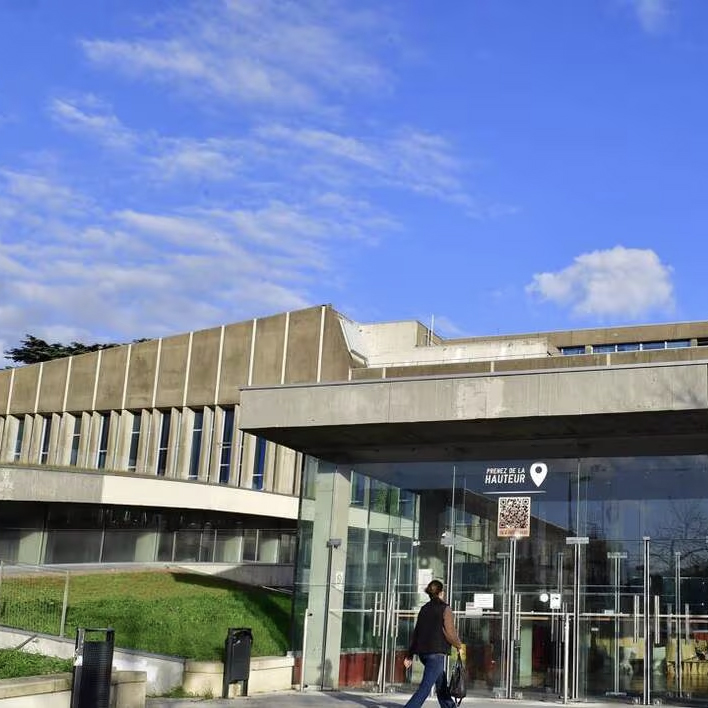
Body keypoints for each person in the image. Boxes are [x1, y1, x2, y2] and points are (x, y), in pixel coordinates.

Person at [403, 579, 466, 708]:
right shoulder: (445, 608)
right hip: (436, 654)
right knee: (425, 688)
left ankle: (450, 706)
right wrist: (459, 646)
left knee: (441, 683)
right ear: (441, 593)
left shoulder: (424, 609)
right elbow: (450, 632)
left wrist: (410, 654)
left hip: (423, 654)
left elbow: (417, 633)